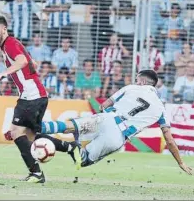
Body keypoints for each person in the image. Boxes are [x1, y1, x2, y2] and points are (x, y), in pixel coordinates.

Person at [39, 70, 192, 175]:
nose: (136, 81)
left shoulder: (130, 88)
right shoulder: (161, 109)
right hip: (117, 136)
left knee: (67, 127)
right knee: (83, 160)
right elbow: (169, 140)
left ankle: (33, 128)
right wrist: (180, 163)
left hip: (106, 119)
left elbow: (104, 105)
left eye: (137, 79)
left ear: (143, 81)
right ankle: (71, 147)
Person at [0, 15, 80, 183]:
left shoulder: (9, 44)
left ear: (4, 29)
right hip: (36, 95)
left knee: (16, 133)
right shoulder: (11, 44)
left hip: (31, 97)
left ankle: (36, 173)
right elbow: (32, 63)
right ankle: (70, 147)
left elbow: (21, 61)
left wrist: (3, 73)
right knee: (29, 136)